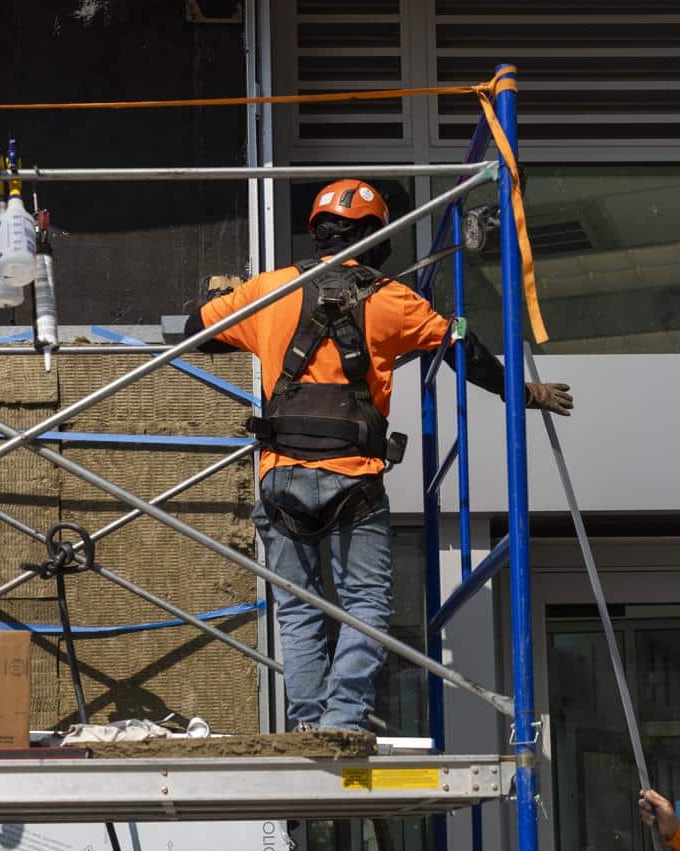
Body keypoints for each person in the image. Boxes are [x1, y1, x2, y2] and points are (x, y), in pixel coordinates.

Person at [197, 179, 573, 731]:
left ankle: (307, 724)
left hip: (281, 477)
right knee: (364, 605)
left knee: (300, 609)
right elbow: (461, 346)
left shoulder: (270, 290)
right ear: (375, 239)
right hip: (352, 479)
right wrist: (523, 393)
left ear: (317, 234)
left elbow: (196, 332)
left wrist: (229, 303)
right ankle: (342, 719)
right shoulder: (393, 301)